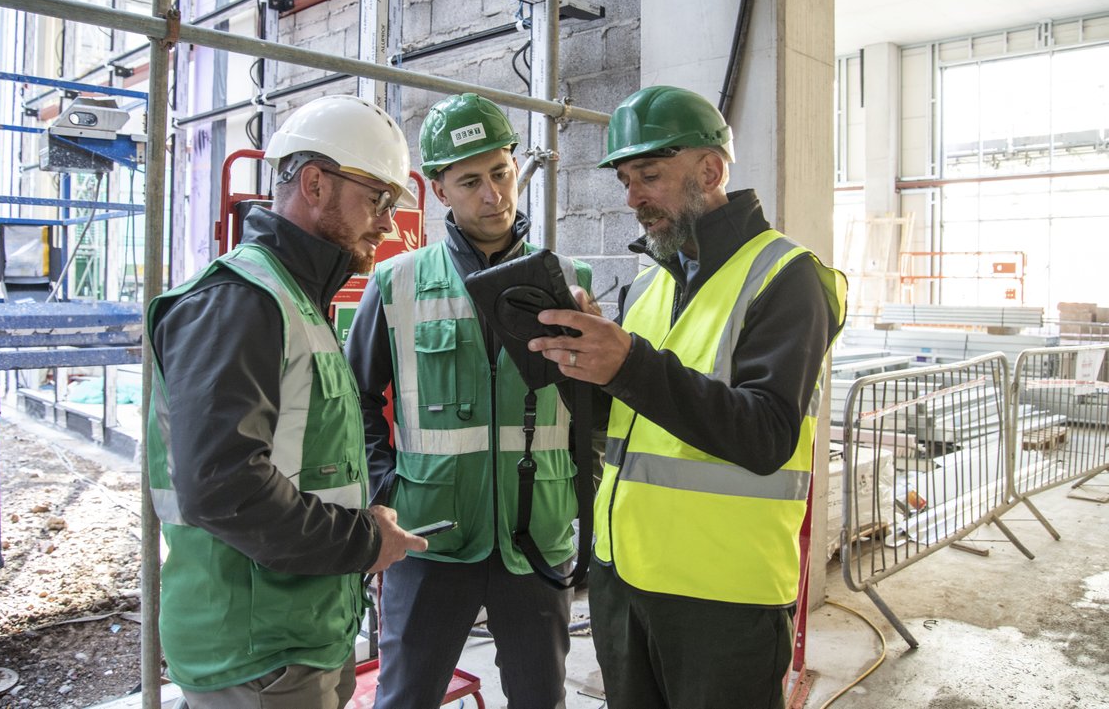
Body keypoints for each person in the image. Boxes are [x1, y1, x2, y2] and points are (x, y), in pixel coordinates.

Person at [528, 85, 848, 709]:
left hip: (721, 599)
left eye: (649, 174)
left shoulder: (787, 277)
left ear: (710, 169)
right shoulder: (650, 286)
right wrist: (579, 365)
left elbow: (766, 435)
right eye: (625, 179)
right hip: (624, 583)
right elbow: (628, 424)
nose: (633, 197)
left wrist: (629, 363)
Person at [146, 94, 430, 709]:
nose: (388, 222)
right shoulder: (238, 302)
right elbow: (223, 487)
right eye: (378, 199)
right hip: (256, 651)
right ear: (314, 183)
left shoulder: (294, 299)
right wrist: (362, 540)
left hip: (300, 632)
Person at [345, 92, 594, 709]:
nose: (494, 196)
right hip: (428, 537)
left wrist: (582, 502)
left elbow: (591, 408)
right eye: (471, 181)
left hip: (534, 531)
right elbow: (354, 396)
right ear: (438, 189)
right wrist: (385, 490)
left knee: (540, 698)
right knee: (406, 697)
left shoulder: (571, 282)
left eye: (502, 173)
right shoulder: (396, 282)